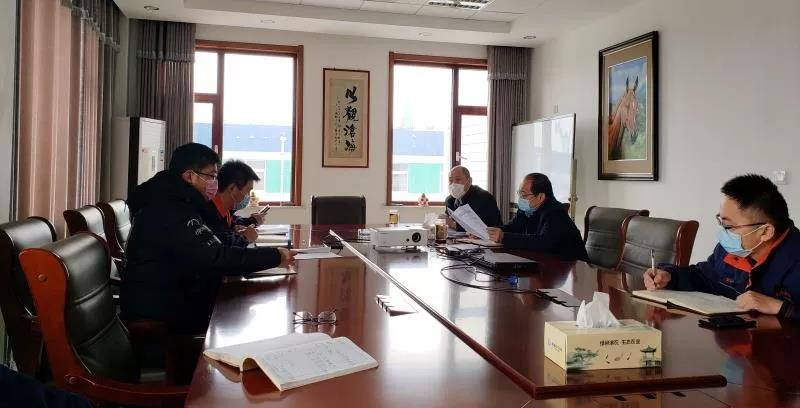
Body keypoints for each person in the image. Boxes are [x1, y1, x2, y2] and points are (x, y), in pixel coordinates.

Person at [122, 143, 294, 336]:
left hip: (171, 295)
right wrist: (275, 256)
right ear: (190, 176)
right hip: (162, 310)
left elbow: (212, 246)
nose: (215, 183)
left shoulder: (178, 201)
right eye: (211, 176)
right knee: (244, 320)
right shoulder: (170, 210)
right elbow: (216, 257)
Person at [643, 174, 799, 320]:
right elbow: (704, 277)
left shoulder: (794, 258)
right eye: (721, 223)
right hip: (732, 335)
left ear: (765, 231)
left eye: (729, 226)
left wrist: (778, 307)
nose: (724, 233)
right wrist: (669, 276)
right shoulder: (736, 247)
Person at [486, 173, 588, 261]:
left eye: (524, 195)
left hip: (572, 266)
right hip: (546, 262)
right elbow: (514, 227)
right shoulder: (527, 208)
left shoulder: (555, 212)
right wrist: (489, 232)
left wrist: (504, 237)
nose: (520, 199)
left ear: (540, 197)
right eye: (519, 194)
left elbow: (543, 242)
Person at [207, 160, 265, 247]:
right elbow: (222, 249)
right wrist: (246, 238)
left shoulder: (225, 210)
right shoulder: (209, 214)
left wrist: (234, 231)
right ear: (232, 188)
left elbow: (227, 232)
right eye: (247, 191)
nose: (248, 196)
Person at [444, 166, 502, 231]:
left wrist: (454, 225)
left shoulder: (484, 198)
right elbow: (449, 221)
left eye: (458, 179)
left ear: (469, 181)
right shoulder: (450, 200)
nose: (453, 184)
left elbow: (485, 227)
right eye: (450, 180)